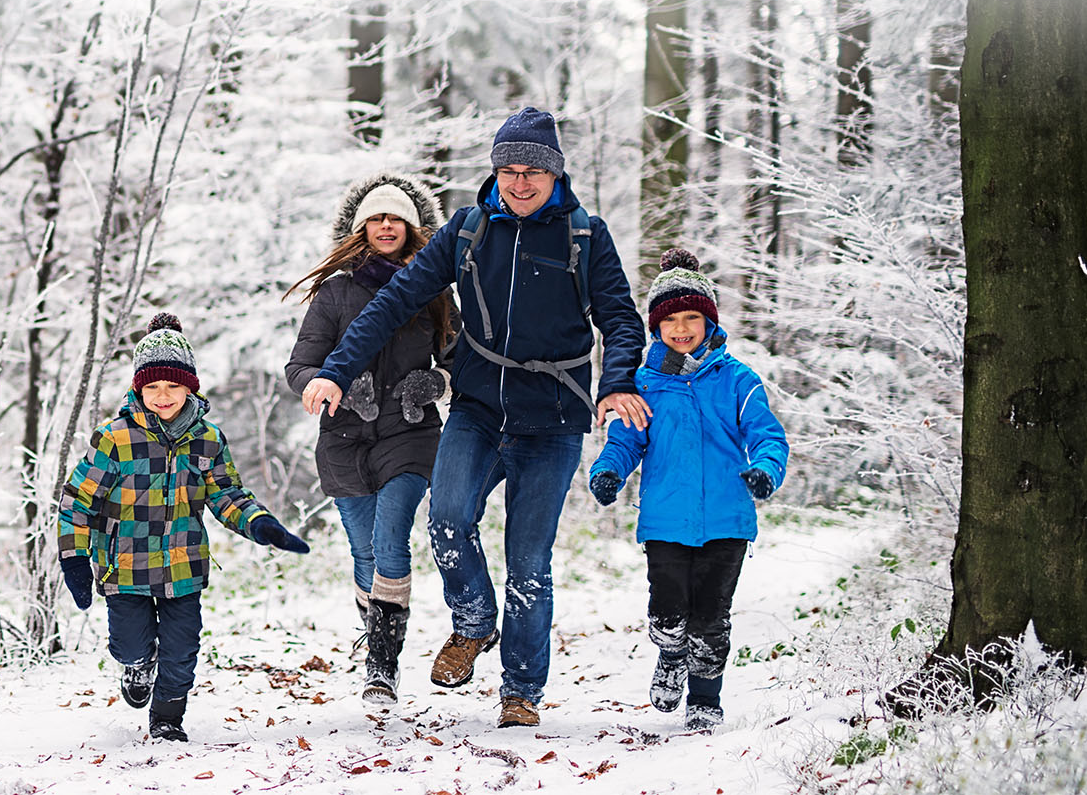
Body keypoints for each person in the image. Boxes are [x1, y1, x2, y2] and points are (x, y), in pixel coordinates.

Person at [300, 107, 649, 729]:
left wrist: (616, 382)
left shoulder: (584, 235)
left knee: (528, 558)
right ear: (494, 171)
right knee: (448, 516)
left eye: (532, 173)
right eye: (509, 170)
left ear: (554, 175)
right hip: (479, 407)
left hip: (555, 416)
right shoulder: (466, 231)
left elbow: (620, 319)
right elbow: (391, 302)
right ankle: (472, 622)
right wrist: (333, 367)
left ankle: (520, 691)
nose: (519, 183)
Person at [59, 313, 312, 743]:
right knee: (130, 645)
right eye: (152, 387)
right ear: (138, 387)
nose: (162, 396)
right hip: (123, 569)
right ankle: (138, 666)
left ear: (190, 387)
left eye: (173, 386)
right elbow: (78, 499)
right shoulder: (114, 438)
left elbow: (226, 494)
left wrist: (261, 524)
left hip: (183, 567)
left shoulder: (208, 439)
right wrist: (74, 558)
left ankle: (167, 719)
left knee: (182, 652)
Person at [584, 248, 789, 731]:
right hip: (666, 519)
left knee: (711, 618)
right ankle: (670, 653)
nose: (681, 328)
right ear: (655, 328)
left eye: (692, 316)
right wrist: (609, 470)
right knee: (668, 610)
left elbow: (767, 435)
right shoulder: (643, 383)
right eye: (670, 319)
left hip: (727, 520)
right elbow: (626, 440)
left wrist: (764, 469)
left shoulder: (738, 380)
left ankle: (705, 699)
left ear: (709, 320)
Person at [283, 172, 454, 706]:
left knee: (389, 538)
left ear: (411, 227)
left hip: (410, 431)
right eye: (377, 218)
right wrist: (326, 385)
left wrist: (437, 382)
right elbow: (299, 365)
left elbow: (459, 362)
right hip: (344, 439)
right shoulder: (334, 293)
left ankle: (382, 661)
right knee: (363, 553)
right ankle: (380, 628)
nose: (386, 226)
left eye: (396, 218)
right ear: (361, 228)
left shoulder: (433, 290)